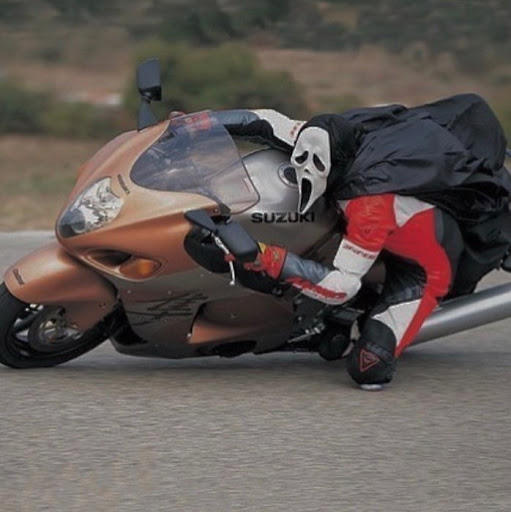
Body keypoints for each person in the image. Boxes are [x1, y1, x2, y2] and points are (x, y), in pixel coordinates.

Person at [207, 95, 511, 390]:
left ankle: (360, 322)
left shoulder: (369, 206)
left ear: (337, 163)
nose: (306, 168)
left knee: (368, 368)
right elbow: (261, 120)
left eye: (316, 164)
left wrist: (267, 258)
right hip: (384, 234)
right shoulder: (322, 137)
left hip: (420, 270)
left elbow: (342, 287)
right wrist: (197, 124)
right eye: (301, 158)